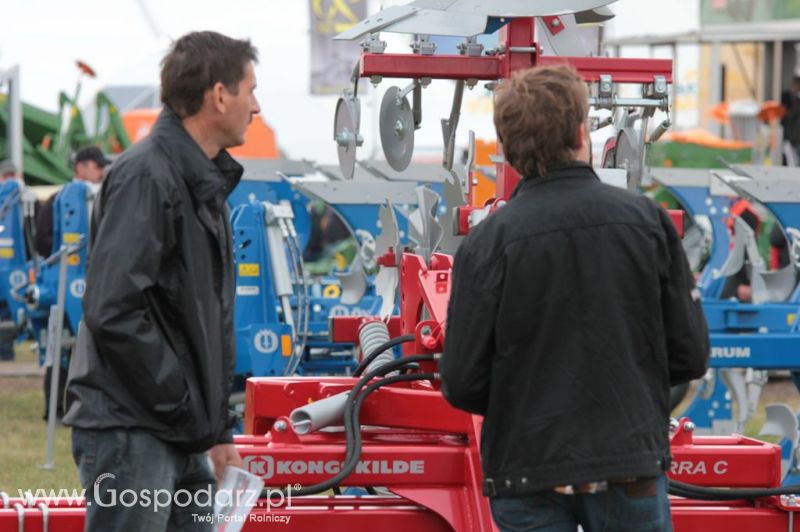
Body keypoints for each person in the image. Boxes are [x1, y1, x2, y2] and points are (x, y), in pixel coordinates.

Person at [440, 65, 709, 532]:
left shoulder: (487, 244)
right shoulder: (646, 222)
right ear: (582, 130)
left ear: (506, 148)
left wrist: (525, 404)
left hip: (526, 471)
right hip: (629, 465)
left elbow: (462, 382)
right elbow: (689, 354)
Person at [63, 31, 260, 531]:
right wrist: (186, 405)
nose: (256, 107)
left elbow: (191, 320)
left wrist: (213, 429)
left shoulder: (197, 181)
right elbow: (114, 310)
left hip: (175, 428)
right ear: (219, 95)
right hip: (134, 430)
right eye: (250, 90)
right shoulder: (148, 176)